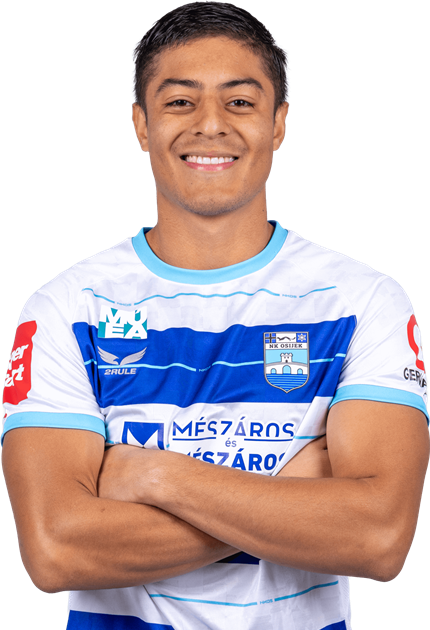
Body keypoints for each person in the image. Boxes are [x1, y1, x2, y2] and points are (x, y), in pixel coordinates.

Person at [2, 3, 429, 629]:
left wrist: (156, 476)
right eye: (180, 102)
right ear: (141, 124)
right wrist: (295, 493)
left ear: (278, 123)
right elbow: (57, 549)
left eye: (240, 102)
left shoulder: (363, 301)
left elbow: (378, 538)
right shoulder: (67, 307)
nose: (210, 125)